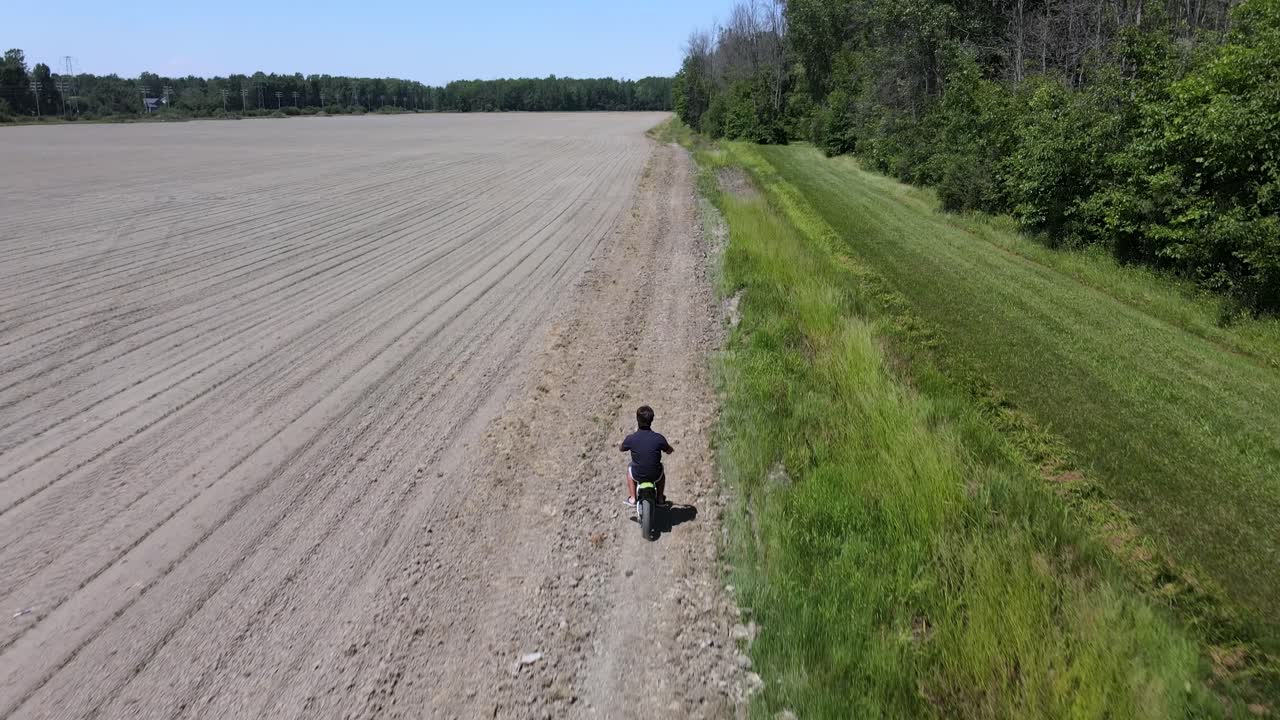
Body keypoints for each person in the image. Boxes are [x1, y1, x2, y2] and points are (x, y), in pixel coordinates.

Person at [619, 405, 673, 507]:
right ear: (652, 420)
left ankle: (633, 498)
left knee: (630, 468)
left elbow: (621, 448)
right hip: (655, 475)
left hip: (637, 474)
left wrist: (621, 445)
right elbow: (669, 451)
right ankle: (660, 498)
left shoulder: (631, 438)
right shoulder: (659, 438)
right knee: (661, 468)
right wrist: (670, 448)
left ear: (637, 419)